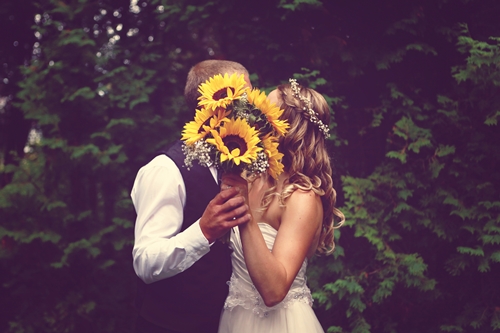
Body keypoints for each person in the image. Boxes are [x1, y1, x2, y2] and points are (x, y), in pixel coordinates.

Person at [131, 60, 252, 333]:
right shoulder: (165, 170)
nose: (252, 110)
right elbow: (145, 262)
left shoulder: (238, 163)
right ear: (218, 103)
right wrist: (204, 230)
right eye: (245, 99)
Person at [218, 80, 345, 333]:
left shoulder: (302, 198)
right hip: (235, 318)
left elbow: (274, 291)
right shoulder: (250, 177)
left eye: (267, 109)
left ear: (286, 125)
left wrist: (244, 213)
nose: (257, 114)